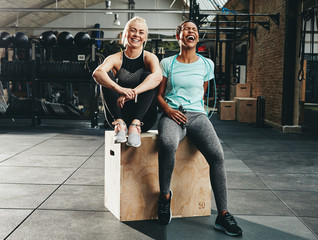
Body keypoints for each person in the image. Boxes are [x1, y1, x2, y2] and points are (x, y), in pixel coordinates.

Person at [156, 20, 242, 237]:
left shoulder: (207, 64)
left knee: (217, 156)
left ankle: (223, 214)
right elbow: (158, 95)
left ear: (197, 37)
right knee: (167, 144)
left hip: (197, 116)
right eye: (187, 29)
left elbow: (202, 93)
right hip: (173, 114)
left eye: (194, 29)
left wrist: (194, 111)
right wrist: (168, 110)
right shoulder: (167, 63)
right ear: (179, 37)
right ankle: (165, 197)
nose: (191, 32)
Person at [92, 16, 162, 147]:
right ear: (126, 34)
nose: (136, 35)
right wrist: (120, 89)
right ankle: (120, 125)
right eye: (133, 30)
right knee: (105, 76)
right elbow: (97, 73)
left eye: (141, 32)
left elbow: (158, 77)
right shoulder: (115, 58)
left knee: (150, 76)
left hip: (144, 118)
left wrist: (132, 93)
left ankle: (135, 126)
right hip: (120, 114)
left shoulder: (149, 57)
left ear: (145, 37)